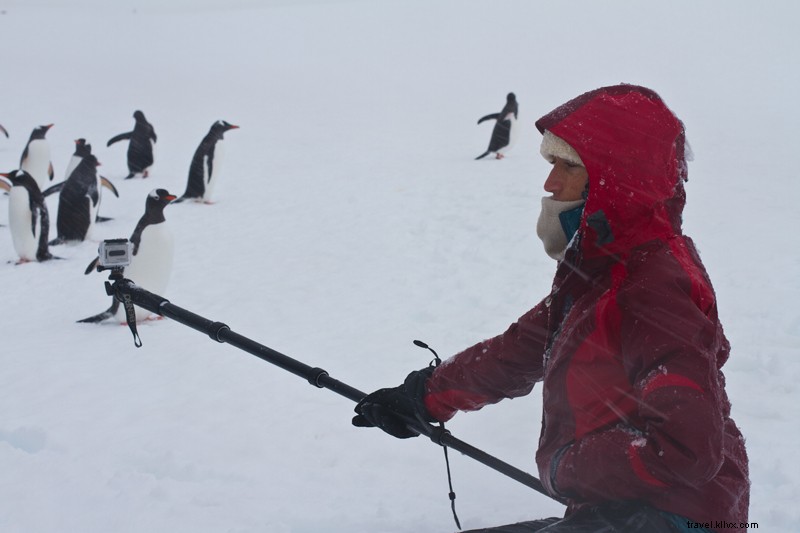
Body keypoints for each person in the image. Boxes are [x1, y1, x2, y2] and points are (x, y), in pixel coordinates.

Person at [352, 84, 750, 532]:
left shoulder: (652, 286)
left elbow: (688, 448)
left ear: (618, 176)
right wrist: (424, 397)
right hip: (625, 511)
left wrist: (567, 467)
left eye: (568, 165)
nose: (550, 182)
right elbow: (520, 350)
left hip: (674, 519)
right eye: (551, 164)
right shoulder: (602, 271)